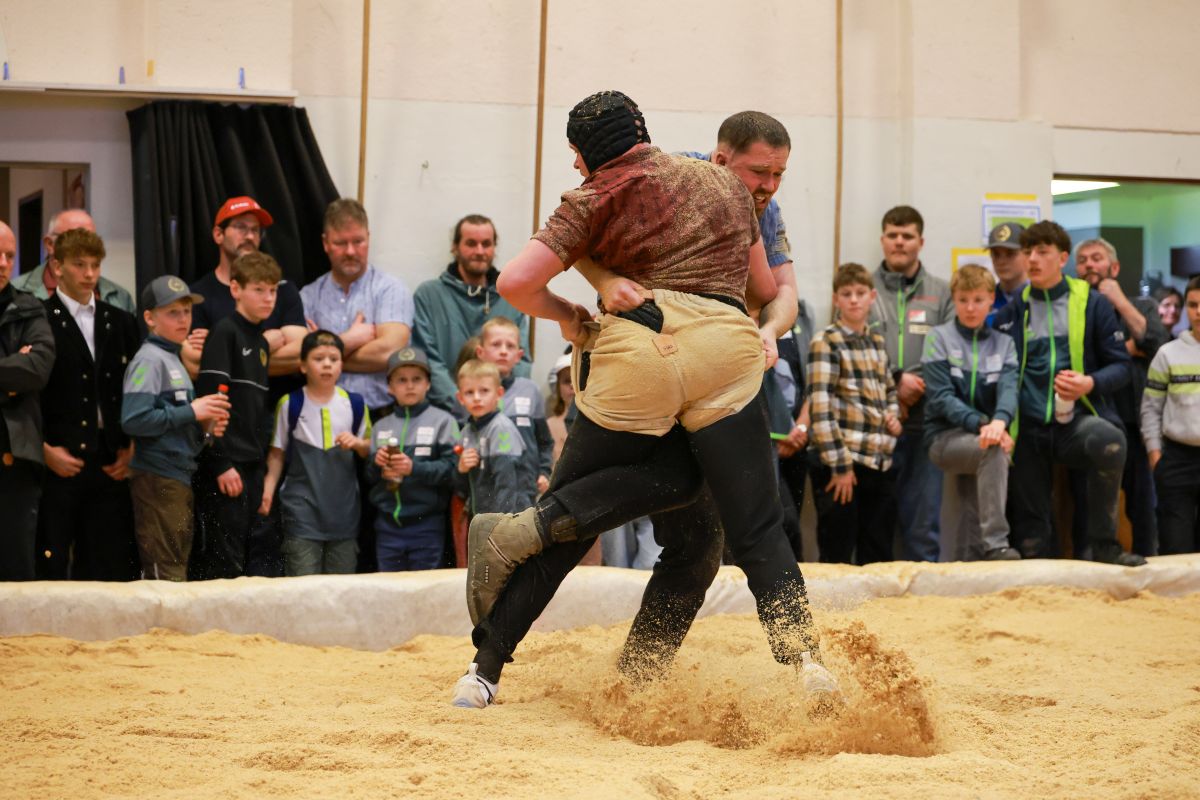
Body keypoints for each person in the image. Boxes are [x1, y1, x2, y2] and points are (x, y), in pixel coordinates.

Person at [451, 91, 838, 712]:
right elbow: (769, 287)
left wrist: (577, 307)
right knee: (753, 527)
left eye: (776, 175)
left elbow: (519, 279)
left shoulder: (595, 194)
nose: (768, 185)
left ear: (586, 153)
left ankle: (487, 667)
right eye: (762, 172)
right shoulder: (724, 189)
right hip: (722, 357)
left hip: (638, 356)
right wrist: (757, 324)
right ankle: (806, 662)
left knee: (649, 529)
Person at [993, 221, 1145, 566]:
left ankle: (1106, 546)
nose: (1032, 259)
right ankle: (1035, 563)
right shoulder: (1012, 311)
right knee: (1032, 532)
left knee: (1111, 441)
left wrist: (1088, 383)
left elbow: (1121, 366)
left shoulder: (1093, 304)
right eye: (1027, 252)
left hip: (1076, 422)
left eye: (1042, 252)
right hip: (1028, 427)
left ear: (1062, 258)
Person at [37, 228, 140, 581]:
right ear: (57, 266)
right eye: (79, 264)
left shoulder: (120, 321)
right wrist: (44, 450)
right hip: (58, 458)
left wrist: (131, 446)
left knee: (107, 563)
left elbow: (135, 388)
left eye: (95, 265)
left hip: (111, 459)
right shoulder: (40, 319)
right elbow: (29, 397)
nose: (89, 274)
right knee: (51, 560)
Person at [121, 276, 230, 580]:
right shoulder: (149, 360)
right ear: (149, 318)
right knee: (165, 572)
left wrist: (204, 427)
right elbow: (134, 419)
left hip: (176, 476)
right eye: (172, 313)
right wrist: (192, 411)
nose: (183, 319)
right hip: (158, 477)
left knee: (175, 567)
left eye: (187, 311)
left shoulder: (172, 357)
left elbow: (175, 421)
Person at [1073, 238, 1168, 557]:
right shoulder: (1076, 311)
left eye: (1096, 258)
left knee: (1143, 507)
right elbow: (1086, 359)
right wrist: (1128, 348)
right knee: (1088, 506)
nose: (1089, 265)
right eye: (1082, 260)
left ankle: (1148, 564)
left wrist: (1119, 301)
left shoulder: (1142, 305)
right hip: (1094, 420)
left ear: (1114, 267)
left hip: (1136, 422)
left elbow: (1156, 343)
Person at [868, 206, 954, 562]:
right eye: (893, 235)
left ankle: (925, 592)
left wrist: (915, 387)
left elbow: (952, 351)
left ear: (921, 241)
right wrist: (895, 382)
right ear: (882, 240)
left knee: (923, 524)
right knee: (875, 524)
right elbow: (852, 346)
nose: (899, 242)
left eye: (907, 236)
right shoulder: (862, 289)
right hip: (875, 418)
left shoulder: (943, 292)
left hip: (925, 419)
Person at [921, 265, 1020, 561]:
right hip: (943, 437)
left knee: (970, 513)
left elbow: (1009, 390)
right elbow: (941, 398)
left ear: (991, 299)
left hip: (986, 433)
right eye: (963, 300)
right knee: (993, 451)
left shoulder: (1005, 344)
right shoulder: (938, 337)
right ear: (954, 299)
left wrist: (1000, 422)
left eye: (978, 300)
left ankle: (977, 559)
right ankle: (997, 544)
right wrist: (986, 425)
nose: (970, 307)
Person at [190, 251, 279, 580]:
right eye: (259, 289)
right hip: (227, 466)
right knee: (223, 560)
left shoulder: (261, 343)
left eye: (272, 290)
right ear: (236, 289)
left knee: (255, 556)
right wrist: (220, 463)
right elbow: (210, 407)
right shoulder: (224, 332)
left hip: (252, 464)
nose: (268, 298)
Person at [808, 264, 903, 564]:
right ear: (836, 299)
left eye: (860, 293)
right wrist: (840, 466)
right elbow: (820, 407)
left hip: (878, 460)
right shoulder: (826, 342)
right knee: (838, 551)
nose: (853, 300)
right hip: (843, 463)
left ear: (872, 297)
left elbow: (889, 390)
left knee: (878, 553)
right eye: (846, 294)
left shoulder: (876, 342)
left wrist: (893, 415)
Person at [260, 330, 371, 576]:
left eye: (334, 358)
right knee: (302, 585)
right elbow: (277, 453)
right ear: (302, 366)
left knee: (342, 588)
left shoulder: (355, 404)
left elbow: (368, 450)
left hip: (344, 514)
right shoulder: (290, 403)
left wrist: (357, 443)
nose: (327, 364)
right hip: (301, 512)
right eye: (318, 358)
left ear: (342, 364)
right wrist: (267, 491)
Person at [183, 196, 307, 398]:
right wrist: (263, 344)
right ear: (218, 234)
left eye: (255, 230)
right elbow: (197, 366)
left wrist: (222, 349)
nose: (250, 236)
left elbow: (301, 355)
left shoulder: (283, 290)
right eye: (241, 227)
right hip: (225, 410)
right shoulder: (198, 295)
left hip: (282, 408)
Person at [301, 198, 415, 416]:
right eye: (340, 243)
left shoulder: (391, 290)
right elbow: (299, 359)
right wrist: (348, 341)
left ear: (368, 238)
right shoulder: (308, 297)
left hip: (381, 416)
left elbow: (390, 353)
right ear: (325, 243)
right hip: (321, 420)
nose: (351, 251)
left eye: (358, 241)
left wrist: (322, 356)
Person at [413, 215, 532, 413]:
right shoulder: (429, 296)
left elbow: (522, 361)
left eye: (486, 244)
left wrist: (499, 407)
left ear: (494, 247)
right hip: (447, 414)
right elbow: (427, 360)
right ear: (455, 247)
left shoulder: (510, 298)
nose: (479, 251)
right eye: (471, 243)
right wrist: (464, 404)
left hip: (503, 413)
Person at [368, 346, 460, 571]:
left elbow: (452, 472)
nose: (409, 385)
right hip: (387, 525)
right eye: (401, 380)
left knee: (425, 588)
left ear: (428, 384)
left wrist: (413, 468)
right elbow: (368, 477)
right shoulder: (380, 426)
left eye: (417, 379)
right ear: (390, 387)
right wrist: (377, 465)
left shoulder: (444, 421)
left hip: (426, 524)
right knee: (388, 587)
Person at [0, 220, 56, 581]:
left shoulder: (30, 307)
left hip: (16, 454)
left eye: (10, 255)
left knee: (16, 568)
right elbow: (21, 370)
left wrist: (23, 368)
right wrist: (9, 376)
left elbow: (37, 369)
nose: (3, 263)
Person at [1142, 275, 1200, 554]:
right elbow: (1150, 408)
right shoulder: (1167, 353)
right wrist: (1155, 455)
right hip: (1177, 458)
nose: (1199, 312)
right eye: (1193, 305)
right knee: (1176, 546)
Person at [475, 316, 553, 493]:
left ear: (519, 355)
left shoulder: (530, 390)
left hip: (524, 488)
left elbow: (544, 441)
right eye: (496, 344)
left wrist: (544, 471)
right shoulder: (472, 392)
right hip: (484, 490)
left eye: (510, 346)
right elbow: (460, 438)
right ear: (480, 352)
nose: (503, 351)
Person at [454, 359, 537, 517]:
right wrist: (461, 469)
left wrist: (501, 524)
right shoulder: (466, 433)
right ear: (460, 398)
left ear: (499, 394)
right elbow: (461, 488)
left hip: (508, 519)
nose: (477, 398)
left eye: (484, 391)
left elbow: (507, 486)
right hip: (481, 517)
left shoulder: (501, 429)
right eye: (469, 392)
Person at [11, 208, 135, 313]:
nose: (86, 246)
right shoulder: (16, 292)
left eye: (91, 239)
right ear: (50, 244)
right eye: (73, 238)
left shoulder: (119, 297)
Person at [986, 222, 1028, 325]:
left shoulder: (1041, 298)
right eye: (996, 254)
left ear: (1027, 254)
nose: (1001, 261)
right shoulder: (985, 302)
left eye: (1010, 253)